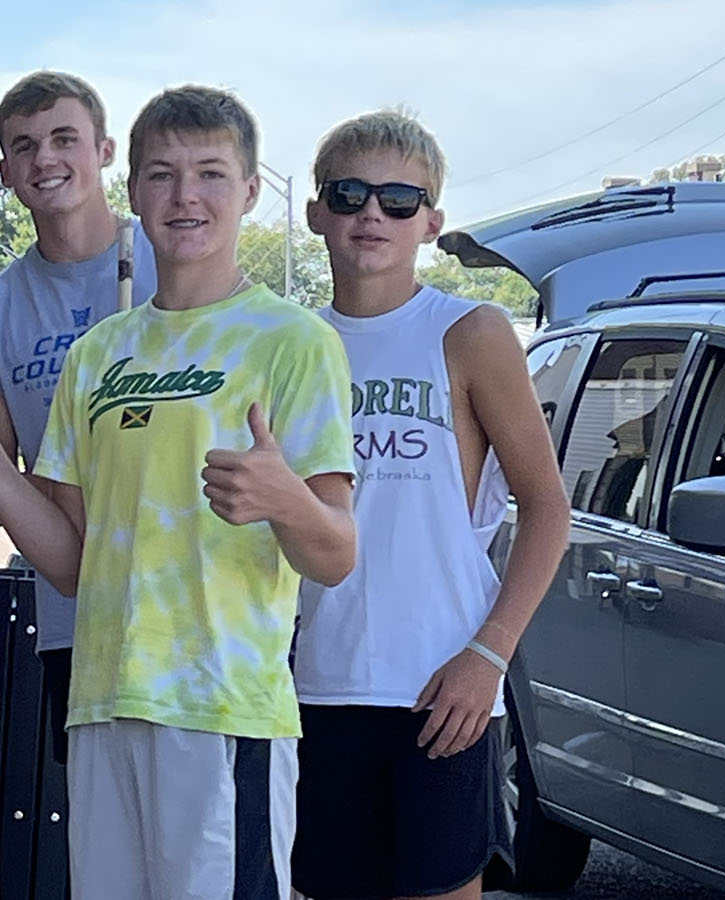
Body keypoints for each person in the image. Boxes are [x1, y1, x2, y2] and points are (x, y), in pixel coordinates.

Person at [0, 85, 358, 900]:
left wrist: (285, 500)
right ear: (133, 190)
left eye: (211, 174)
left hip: (223, 712)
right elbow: (68, 561)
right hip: (102, 700)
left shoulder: (296, 342)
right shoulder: (98, 355)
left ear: (252, 190)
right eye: (162, 174)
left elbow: (336, 554)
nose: (185, 196)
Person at [288, 110, 570, 900]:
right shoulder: (289, 345)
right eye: (348, 193)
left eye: (399, 199)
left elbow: (548, 507)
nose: (371, 213)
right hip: (316, 684)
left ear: (431, 222)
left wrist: (490, 656)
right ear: (316, 213)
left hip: (441, 684)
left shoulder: (469, 333)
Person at [0, 71, 155, 781]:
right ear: (6, 171)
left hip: (195, 615)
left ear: (105, 150)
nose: (45, 159)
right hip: (77, 619)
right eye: (25, 145)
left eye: (64, 139)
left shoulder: (172, 267)